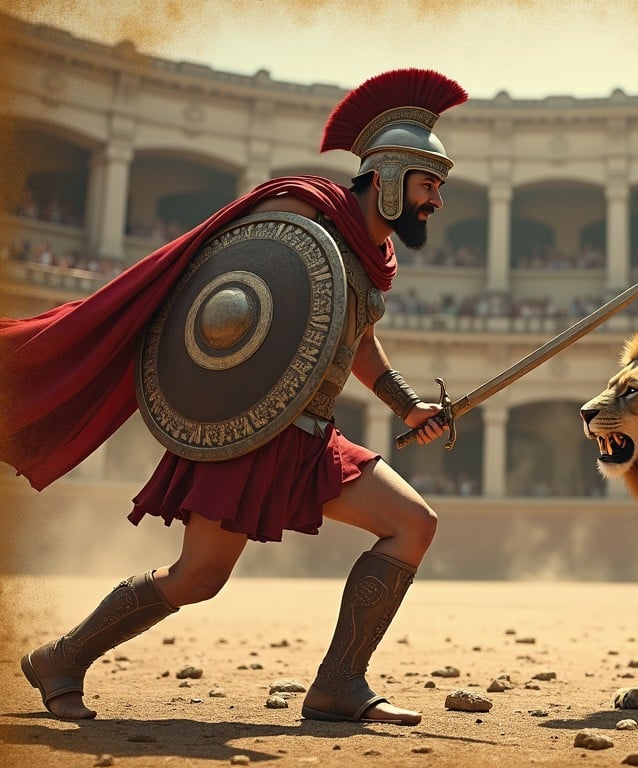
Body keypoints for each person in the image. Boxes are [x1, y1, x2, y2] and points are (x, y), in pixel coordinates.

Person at [1, 68, 469, 726]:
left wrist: (407, 405)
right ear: (388, 175)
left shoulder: (373, 255)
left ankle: (340, 685)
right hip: (245, 428)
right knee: (198, 579)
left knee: (413, 524)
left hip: (310, 434)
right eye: (429, 184)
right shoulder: (302, 211)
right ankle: (62, 659)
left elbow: (359, 343)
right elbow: (220, 290)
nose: (437, 201)